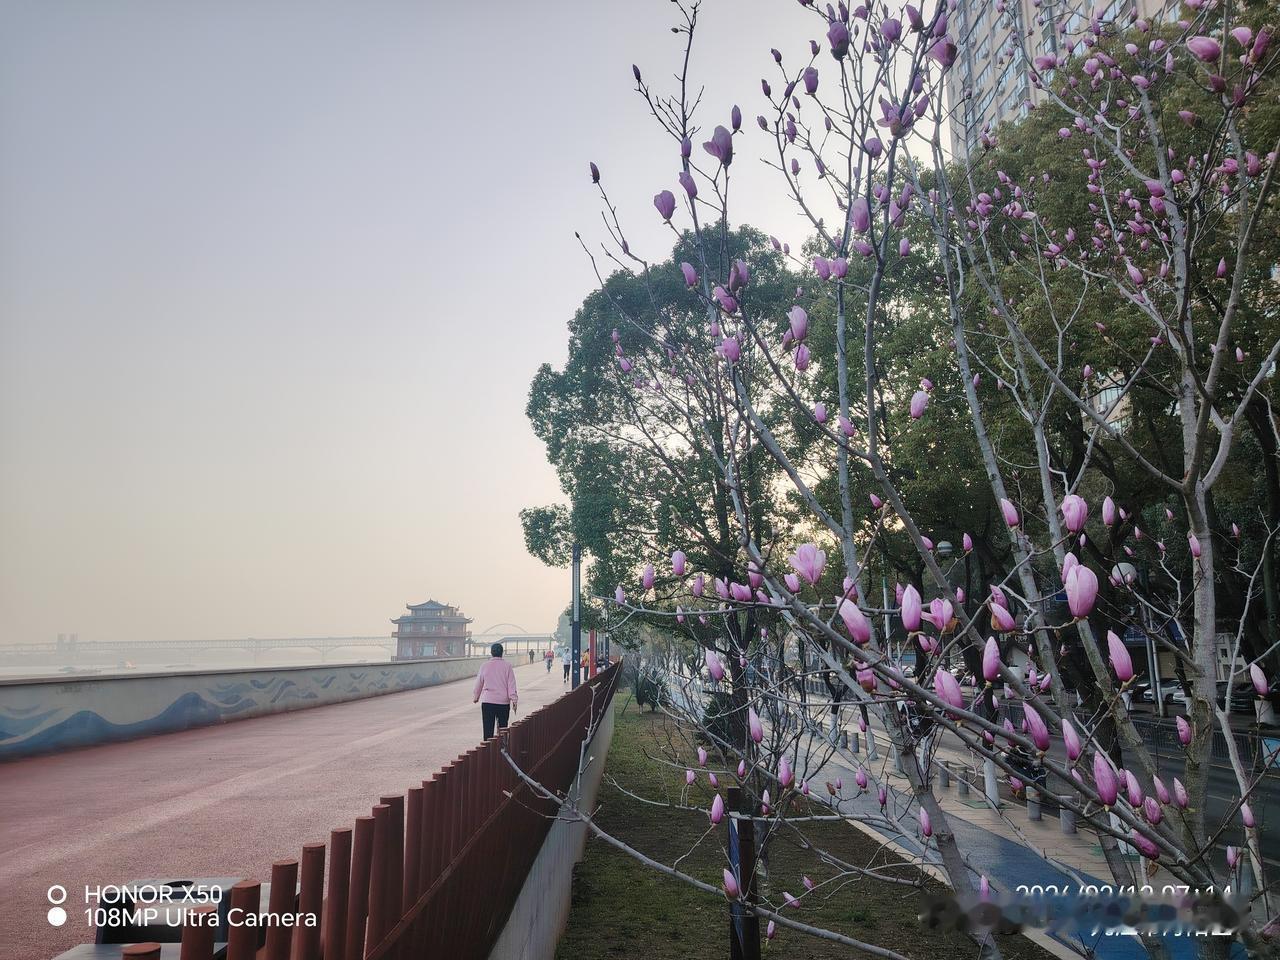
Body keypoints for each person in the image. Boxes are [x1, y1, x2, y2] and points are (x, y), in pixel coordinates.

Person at [473, 642, 518, 740]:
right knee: (503, 729)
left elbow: (479, 682)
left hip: (488, 702)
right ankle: (503, 748)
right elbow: (511, 685)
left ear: (491, 653)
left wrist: (476, 697)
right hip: (503, 703)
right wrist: (514, 700)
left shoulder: (484, 666)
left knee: (488, 730)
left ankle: (488, 751)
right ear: (502, 653)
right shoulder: (508, 666)